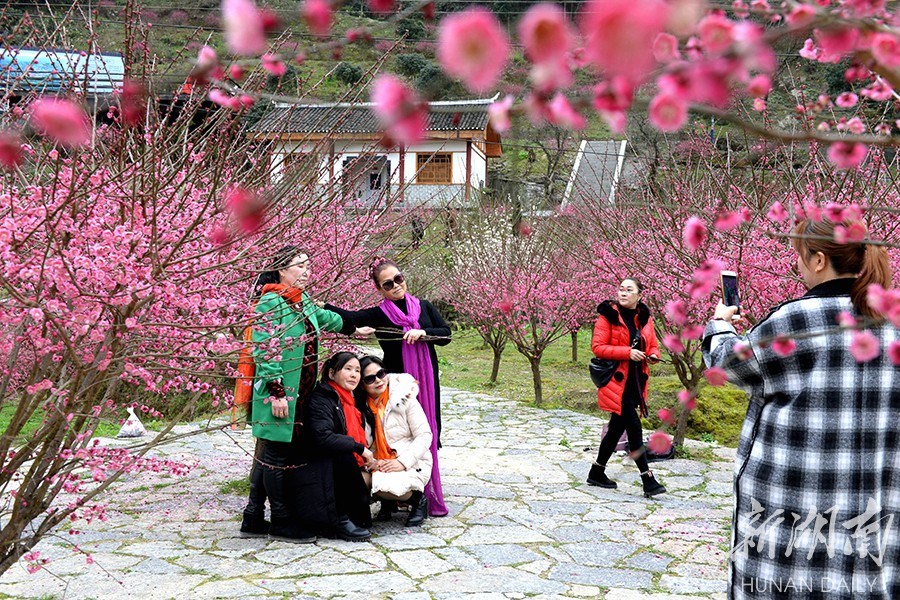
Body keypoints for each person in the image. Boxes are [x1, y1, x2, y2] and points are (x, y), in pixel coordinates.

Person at [703, 218, 899, 600]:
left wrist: (720, 325)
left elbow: (728, 365)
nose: (798, 266)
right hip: (873, 502)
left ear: (820, 260)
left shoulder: (795, 321)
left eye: (800, 257)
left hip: (794, 505)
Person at [239, 246, 366, 543]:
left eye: (308, 266)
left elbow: (325, 318)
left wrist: (353, 328)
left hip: (301, 395)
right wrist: (277, 392)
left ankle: (253, 516)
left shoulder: (300, 301)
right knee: (275, 454)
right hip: (279, 393)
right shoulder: (271, 302)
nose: (307, 271)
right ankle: (281, 521)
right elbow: (266, 349)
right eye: (300, 266)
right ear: (282, 270)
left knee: (270, 454)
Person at [325, 258, 450, 517]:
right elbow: (349, 317)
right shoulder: (380, 314)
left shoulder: (424, 307)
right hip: (392, 382)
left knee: (425, 429)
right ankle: (395, 492)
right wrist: (321, 306)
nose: (396, 286)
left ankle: (425, 490)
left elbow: (446, 334)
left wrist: (423, 333)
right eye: (388, 284)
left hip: (425, 381)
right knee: (391, 431)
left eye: (399, 279)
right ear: (380, 289)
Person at [587, 277, 666, 498]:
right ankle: (647, 479)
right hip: (616, 380)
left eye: (629, 290)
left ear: (639, 295)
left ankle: (596, 471)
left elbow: (652, 345)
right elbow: (598, 347)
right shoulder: (608, 316)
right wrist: (627, 352)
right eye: (621, 289)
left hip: (636, 381)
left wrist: (652, 356)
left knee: (615, 429)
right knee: (633, 427)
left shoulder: (644, 318)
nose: (623, 293)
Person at [299, 352, 377, 542]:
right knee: (343, 453)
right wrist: (358, 448)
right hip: (319, 466)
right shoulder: (323, 398)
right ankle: (338, 520)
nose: (354, 375)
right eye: (348, 369)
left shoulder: (350, 400)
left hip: (344, 464)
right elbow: (322, 437)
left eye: (357, 370)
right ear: (332, 373)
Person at [355, 355, 433, 527]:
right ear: (361, 384)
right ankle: (387, 502)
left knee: (384, 486)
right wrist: (371, 462)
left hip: (410, 460)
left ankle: (418, 500)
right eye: (370, 378)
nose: (378, 381)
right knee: (356, 479)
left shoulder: (403, 399)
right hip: (378, 462)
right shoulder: (361, 407)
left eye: (381, 374)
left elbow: (425, 435)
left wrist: (402, 462)